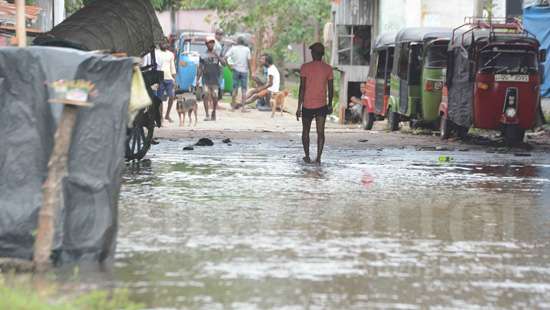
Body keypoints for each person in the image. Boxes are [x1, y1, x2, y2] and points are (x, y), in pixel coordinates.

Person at [296, 42, 334, 165]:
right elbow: (331, 88)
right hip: (321, 106)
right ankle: (318, 158)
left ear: (313, 53)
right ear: (322, 54)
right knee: (320, 132)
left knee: (305, 131)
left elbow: (302, 88)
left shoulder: (305, 67)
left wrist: (299, 107)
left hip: (307, 105)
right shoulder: (328, 68)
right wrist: (330, 104)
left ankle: (307, 156)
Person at [196, 36, 226, 121]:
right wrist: (197, 79)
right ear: (206, 44)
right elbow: (200, 68)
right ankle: (207, 114)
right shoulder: (203, 55)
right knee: (205, 94)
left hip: (215, 78)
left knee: (215, 96)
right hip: (205, 78)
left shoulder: (218, 54)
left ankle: (214, 111)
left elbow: (224, 64)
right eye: (209, 43)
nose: (211, 44)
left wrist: (217, 56)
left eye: (212, 42)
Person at [224, 36, 251, 112]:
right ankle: (243, 108)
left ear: (237, 42)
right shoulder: (247, 49)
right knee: (244, 90)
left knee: (234, 89)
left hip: (235, 70)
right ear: (244, 42)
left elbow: (225, 57)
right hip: (244, 71)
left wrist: (229, 67)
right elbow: (249, 61)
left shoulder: (233, 48)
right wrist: (250, 71)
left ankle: (232, 108)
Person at [156, 39, 177, 123]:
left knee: (171, 97)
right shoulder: (156, 53)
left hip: (169, 78)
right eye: (162, 42)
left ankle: (167, 115)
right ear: (159, 43)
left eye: (165, 42)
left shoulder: (170, 54)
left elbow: (172, 67)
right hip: (159, 78)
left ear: (168, 44)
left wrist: (174, 79)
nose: (164, 44)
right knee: (159, 99)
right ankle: (160, 116)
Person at [214, 29, 225, 100]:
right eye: (219, 34)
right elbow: (215, 54)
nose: (220, 36)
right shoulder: (216, 44)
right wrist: (222, 60)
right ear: (216, 34)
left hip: (216, 65)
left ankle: (212, 103)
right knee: (216, 85)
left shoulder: (217, 43)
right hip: (215, 66)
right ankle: (214, 103)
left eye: (221, 34)